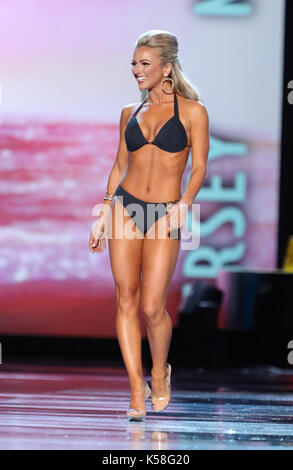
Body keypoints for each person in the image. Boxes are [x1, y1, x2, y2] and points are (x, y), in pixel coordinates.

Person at [89, 30, 209, 420]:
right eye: (134, 65)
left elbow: (200, 166)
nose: (137, 71)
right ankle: (135, 389)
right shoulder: (130, 113)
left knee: (153, 306)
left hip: (165, 211)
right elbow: (120, 165)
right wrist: (104, 213)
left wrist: (186, 203)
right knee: (125, 298)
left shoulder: (192, 111)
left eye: (145, 64)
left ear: (166, 67)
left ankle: (160, 372)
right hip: (126, 206)